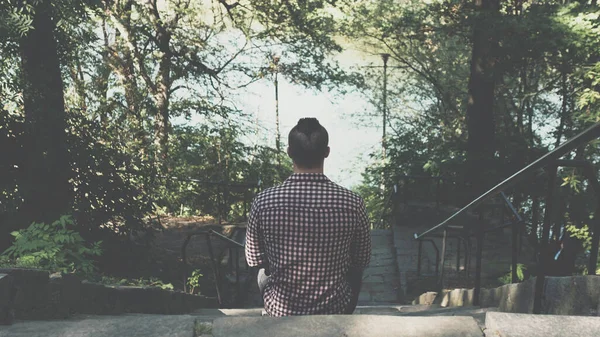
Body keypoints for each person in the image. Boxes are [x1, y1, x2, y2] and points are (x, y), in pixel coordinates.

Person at [245, 117, 371, 316]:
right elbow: (361, 260)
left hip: (281, 309)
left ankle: (271, 311)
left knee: (261, 272)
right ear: (327, 152)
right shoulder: (353, 202)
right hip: (336, 307)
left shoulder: (263, 201)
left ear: (289, 153)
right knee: (355, 272)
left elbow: (254, 260)